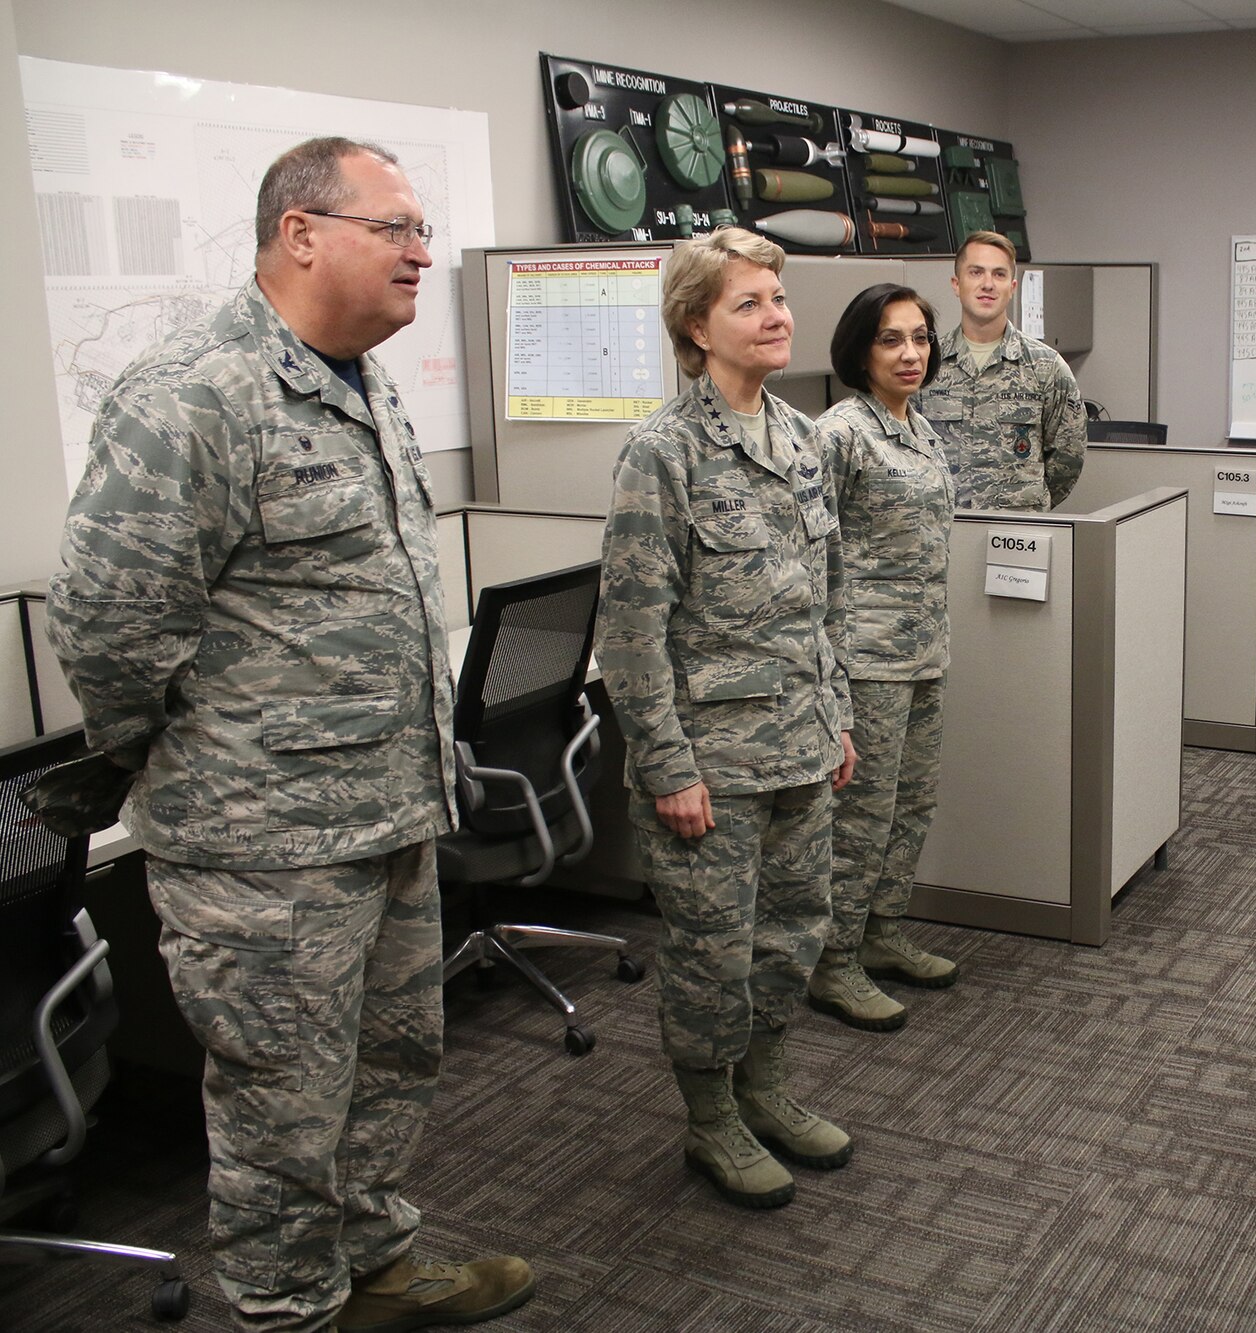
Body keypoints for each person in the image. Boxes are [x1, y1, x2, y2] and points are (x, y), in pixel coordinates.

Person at [46, 137, 534, 1332]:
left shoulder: (361, 383)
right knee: (282, 1109)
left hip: (389, 813)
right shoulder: (194, 394)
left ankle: (374, 1264)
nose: (421, 252)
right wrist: (199, 762)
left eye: (424, 231)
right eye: (395, 227)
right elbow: (110, 628)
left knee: (391, 1064)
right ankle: (289, 1310)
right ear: (301, 233)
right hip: (262, 851)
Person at [598, 227, 857, 1211]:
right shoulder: (661, 454)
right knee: (712, 955)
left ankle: (765, 1088)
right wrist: (667, 766)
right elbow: (630, 632)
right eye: (749, 303)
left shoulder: (801, 439)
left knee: (791, 936)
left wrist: (836, 717)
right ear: (696, 327)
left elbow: (826, 598)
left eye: (778, 298)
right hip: (710, 763)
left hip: (800, 746)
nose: (776, 316)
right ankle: (711, 1118)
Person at [807, 285, 960, 1033]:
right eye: (891, 339)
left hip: (923, 649)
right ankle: (833, 961)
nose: (910, 353)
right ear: (860, 350)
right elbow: (811, 556)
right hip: (865, 660)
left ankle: (882, 932)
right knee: (861, 817)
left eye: (921, 338)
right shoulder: (840, 433)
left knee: (911, 804)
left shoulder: (919, 428)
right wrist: (828, 674)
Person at [914, 230, 1086, 511]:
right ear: (956, 284)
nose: (988, 284)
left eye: (999, 274)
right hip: (947, 525)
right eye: (976, 272)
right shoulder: (926, 363)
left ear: (1012, 286)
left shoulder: (1046, 367)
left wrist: (1025, 505)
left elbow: (1068, 459)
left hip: (1017, 528)